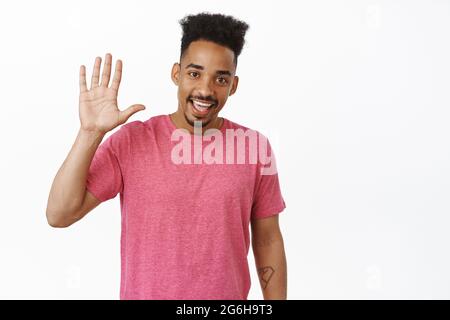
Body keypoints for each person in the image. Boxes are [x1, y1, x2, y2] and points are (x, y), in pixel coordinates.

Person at [46, 12, 287, 300]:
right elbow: (59, 214)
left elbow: (268, 238)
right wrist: (90, 133)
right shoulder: (133, 141)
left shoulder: (254, 148)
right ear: (177, 73)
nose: (205, 90)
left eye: (220, 79)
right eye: (194, 73)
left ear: (233, 85)